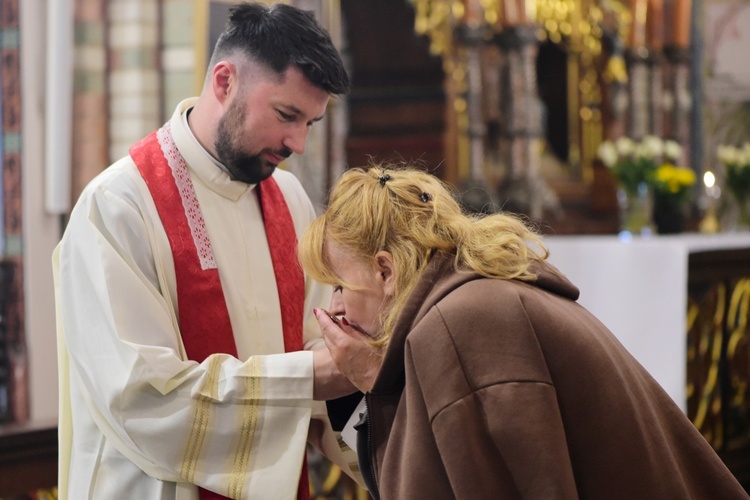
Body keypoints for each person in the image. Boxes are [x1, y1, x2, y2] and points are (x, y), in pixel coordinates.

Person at [53, 3, 361, 499]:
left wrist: (397, 459)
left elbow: (323, 358)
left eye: (311, 123)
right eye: (287, 115)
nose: (298, 143)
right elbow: (144, 397)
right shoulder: (117, 207)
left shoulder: (290, 200)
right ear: (224, 82)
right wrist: (307, 376)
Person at [298, 164, 750, 500]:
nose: (334, 307)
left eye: (339, 285)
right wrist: (374, 380)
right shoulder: (469, 300)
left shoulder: (461, 323)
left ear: (385, 271)